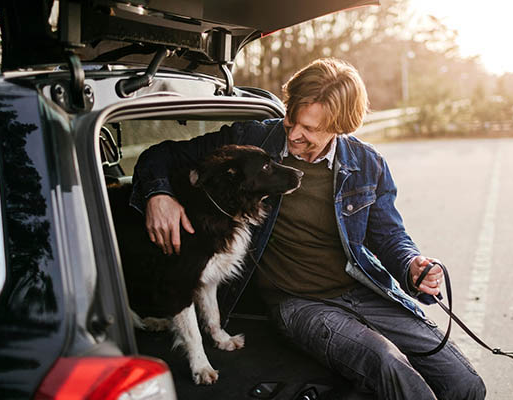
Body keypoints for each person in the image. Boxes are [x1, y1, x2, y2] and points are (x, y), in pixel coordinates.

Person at [130, 58, 486, 399]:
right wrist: (159, 194)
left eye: (311, 129)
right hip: (298, 304)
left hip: (363, 291)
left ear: (341, 126)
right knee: (392, 367)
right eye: (292, 120)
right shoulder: (252, 139)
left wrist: (413, 266)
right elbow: (160, 155)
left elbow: (389, 235)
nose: (295, 135)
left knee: (464, 384)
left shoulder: (367, 163)